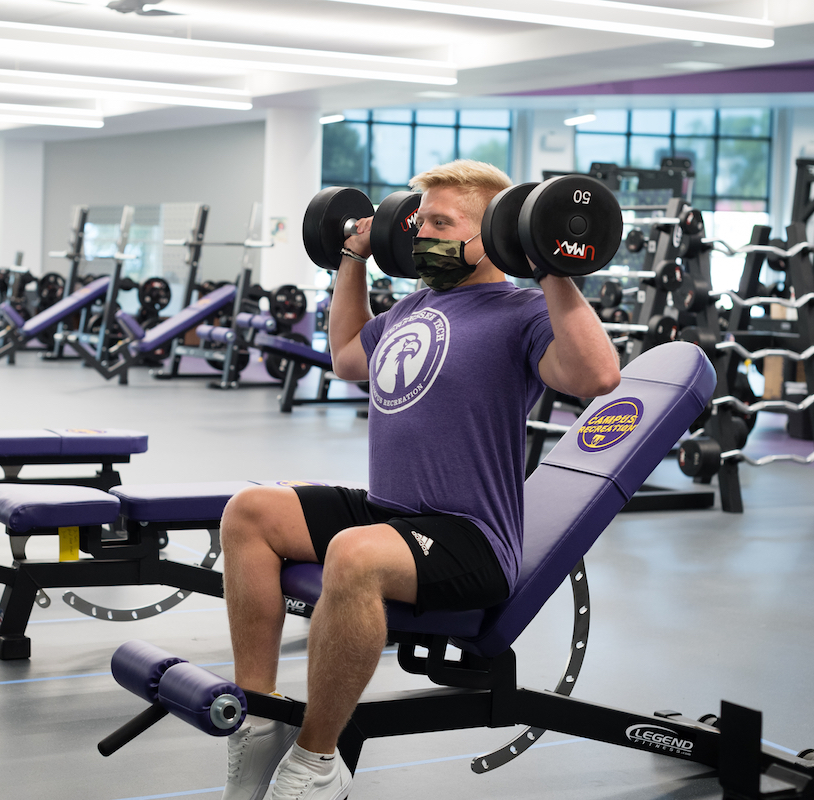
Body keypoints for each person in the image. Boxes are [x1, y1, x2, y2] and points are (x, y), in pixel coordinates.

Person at [218, 160, 621, 800]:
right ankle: (258, 715)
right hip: (390, 511)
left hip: (469, 539)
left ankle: (316, 761)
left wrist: (550, 264)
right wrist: (350, 257)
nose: (420, 232)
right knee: (250, 512)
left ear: (492, 231)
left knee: (354, 552)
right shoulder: (416, 304)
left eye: (441, 222)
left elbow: (598, 378)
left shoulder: (520, 312)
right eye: (419, 218)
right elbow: (348, 357)